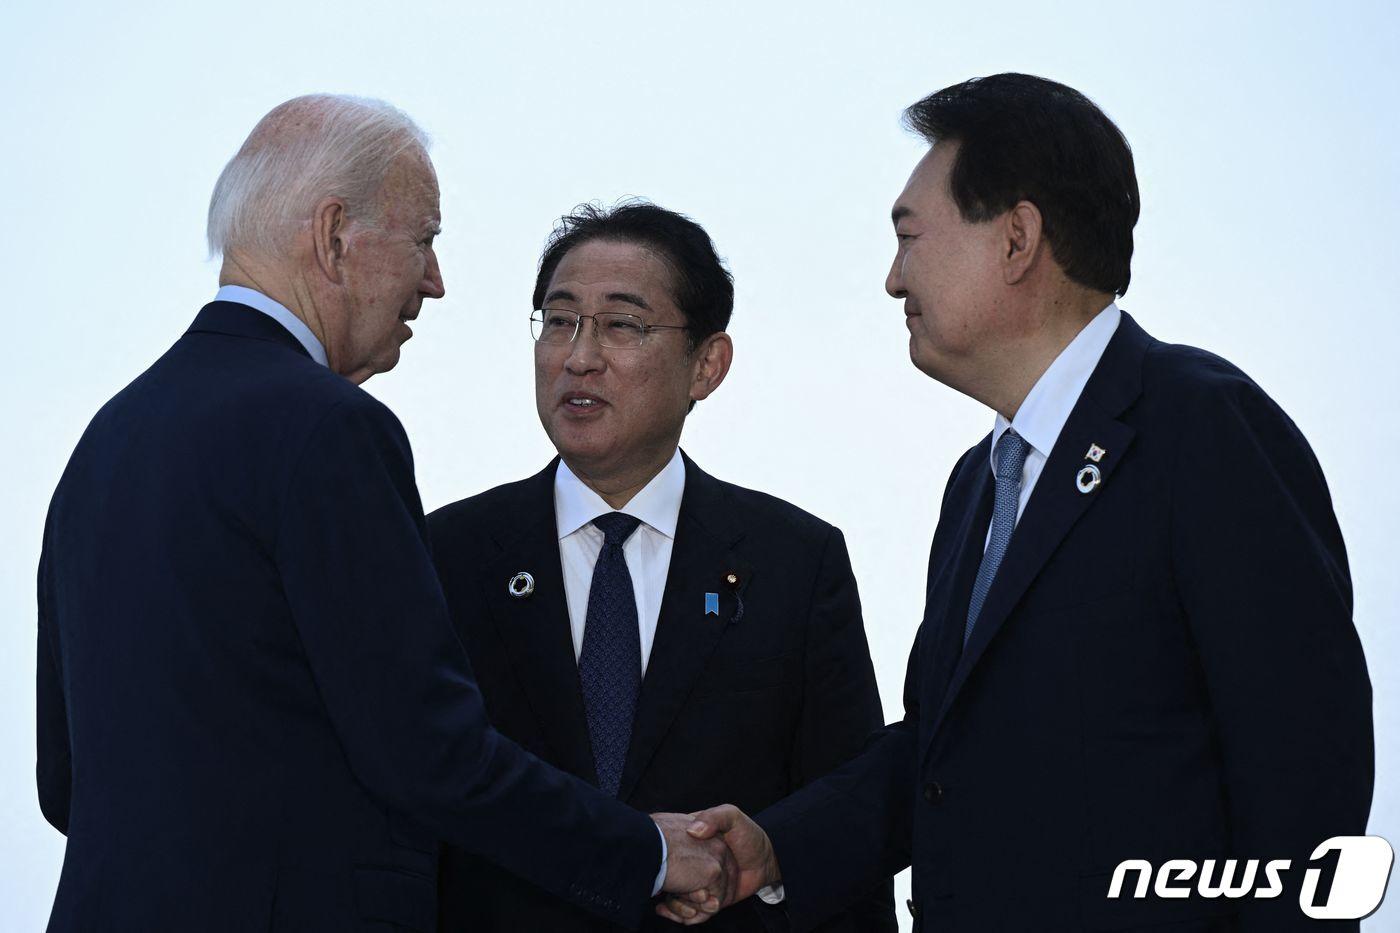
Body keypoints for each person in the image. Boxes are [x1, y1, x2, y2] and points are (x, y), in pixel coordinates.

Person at [666, 74, 1374, 932]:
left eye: (909, 236)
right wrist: (776, 846)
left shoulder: (1202, 425)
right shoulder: (978, 485)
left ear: (1017, 239)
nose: (894, 279)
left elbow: (1304, 776)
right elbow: (937, 752)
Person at [35, 95, 734, 933]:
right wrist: (644, 851)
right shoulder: (330, 427)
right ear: (334, 236)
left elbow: (63, 775)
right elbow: (427, 752)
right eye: (424, 241)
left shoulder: (107, 438)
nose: (434, 283)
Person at [427, 201, 896, 932]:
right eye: (558, 320)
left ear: (707, 364)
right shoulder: (447, 553)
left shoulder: (793, 562)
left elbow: (845, 822)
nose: (578, 356)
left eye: (621, 324)